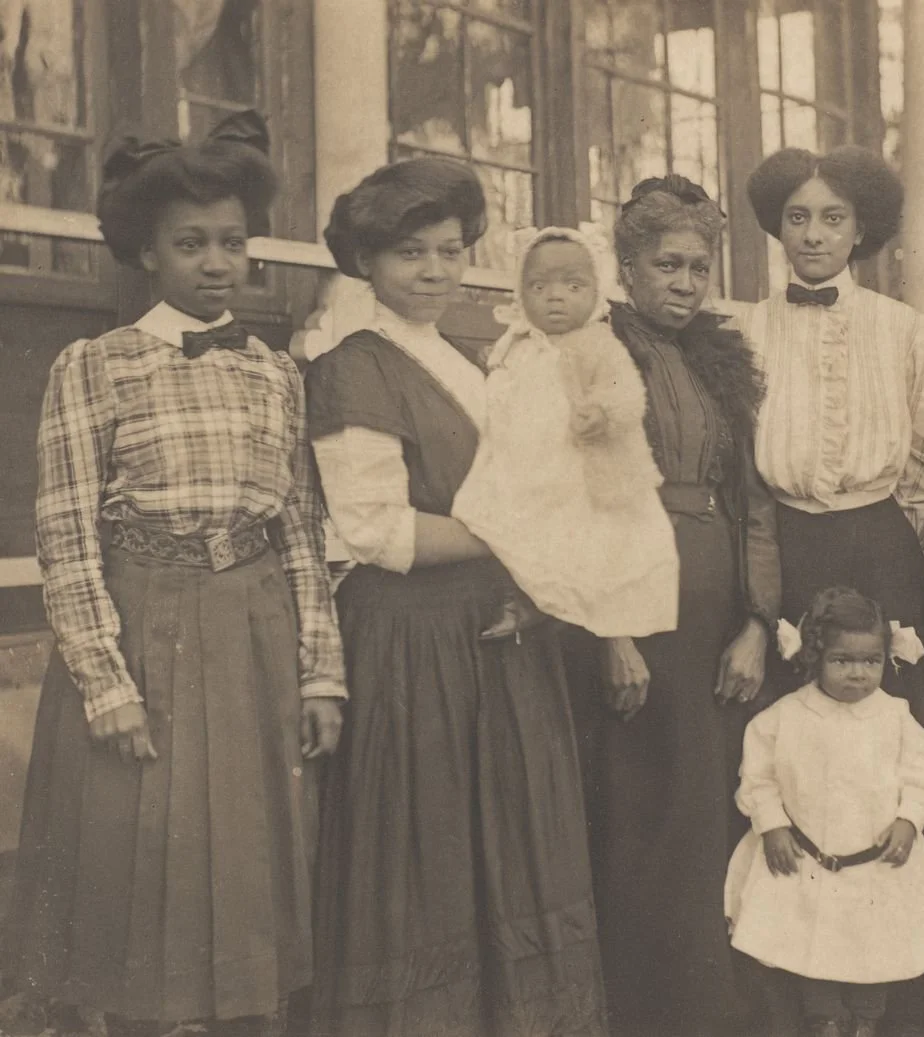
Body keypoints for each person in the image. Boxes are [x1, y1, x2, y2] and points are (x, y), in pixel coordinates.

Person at [2, 111, 346, 1037]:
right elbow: (68, 535)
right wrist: (104, 682)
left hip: (253, 629)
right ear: (146, 252)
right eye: (190, 244)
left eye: (232, 243)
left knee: (242, 864)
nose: (216, 263)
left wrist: (320, 668)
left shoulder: (275, 373)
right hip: (141, 625)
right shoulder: (94, 366)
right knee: (139, 856)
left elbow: (303, 531)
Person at [306, 157, 607, 1037]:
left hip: (495, 635)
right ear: (367, 262)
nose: (436, 271)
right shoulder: (352, 368)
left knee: (506, 850)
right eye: (411, 254)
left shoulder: (468, 358)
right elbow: (376, 530)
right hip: (410, 644)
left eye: (450, 251)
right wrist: (515, 532)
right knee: (426, 855)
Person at [741, 145, 924, 1034]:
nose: (814, 234)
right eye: (798, 217)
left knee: (883, 740)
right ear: (776, 228)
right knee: (790, 742)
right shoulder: (742, 331)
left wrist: (887, 533)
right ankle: (793, 984)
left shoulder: (906, 330)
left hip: (877, 544)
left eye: (832, 218)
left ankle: (892, 988)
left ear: (862, 229)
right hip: (781, 541)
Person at [575, 173, 781, 1037]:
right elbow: (576, 497)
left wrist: (758, 624)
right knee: (639, 808)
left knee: (712, 806)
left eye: (700, 266)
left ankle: (713, 1010)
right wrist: (611, 634)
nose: (687, 283)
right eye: (668, 264)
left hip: (714, 606)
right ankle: (645, 1010)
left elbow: (755, 499)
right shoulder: (594, 352)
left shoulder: (720, 358)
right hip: (630, 599)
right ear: (627, 266)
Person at [725, 587, 924, 1037]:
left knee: (874, 945)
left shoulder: (896, 718)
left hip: (876, 863)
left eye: (871, 662)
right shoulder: (785, 717)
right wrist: (771, 825)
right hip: (811, 857)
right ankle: (823, 1020)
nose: (858, 675)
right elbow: (759, 776)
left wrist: (909, 818)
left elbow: (923, 778)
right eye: (842, 661)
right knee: (816, 942)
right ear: (814, 658)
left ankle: (866, 1021)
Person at [452, 224, 678, 640]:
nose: (555, 296)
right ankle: (522, 598)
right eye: (539, 286)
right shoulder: (513, 346)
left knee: (587, 545)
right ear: (520, 293)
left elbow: (627, 394)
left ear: (596, 291)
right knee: (509, 535)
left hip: (578, 464)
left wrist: (603, 414)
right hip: (523, 464)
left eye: (573, 285)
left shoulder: (597, 344)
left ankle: (561, 603)